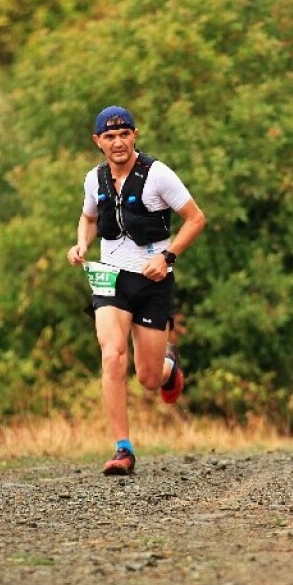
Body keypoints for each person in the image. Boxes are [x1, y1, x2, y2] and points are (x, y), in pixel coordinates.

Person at [66, 106, 206, 475]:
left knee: (147, 379)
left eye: (124, 134)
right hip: (109, 277)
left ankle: (168, 366)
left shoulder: (158, 175)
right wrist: (81, 244)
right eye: (109, 137)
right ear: (98, 142)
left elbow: (196, 218)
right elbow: (89, 217)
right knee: (112, 354)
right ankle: (122, 449)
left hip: (152, 280)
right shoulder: (93, 179)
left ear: (135, 136)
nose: (117, 142)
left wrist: (168, 257)